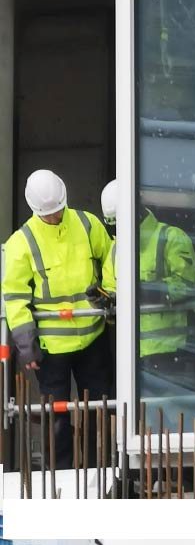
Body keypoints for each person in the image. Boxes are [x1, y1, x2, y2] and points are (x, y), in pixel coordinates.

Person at [2, 169, 114, 468]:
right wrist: (26, 343)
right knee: (57, 417)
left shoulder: (87, 223)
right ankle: (62, 474)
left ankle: (98, 468)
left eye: (57, 210)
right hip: (51, 349)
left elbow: (113, 256)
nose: (54, 217)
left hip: (93, 336)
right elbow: (14, 296)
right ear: (34, 209)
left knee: (99, 411)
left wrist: (111, 293)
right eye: (48, 213)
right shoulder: (20, 243)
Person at [100, 180, 195, 366]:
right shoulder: (115, 249)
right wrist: (105, 300)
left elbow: (188, 286)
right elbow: (111, 290)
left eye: (119, 225)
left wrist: (147, 291)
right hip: (132, 355)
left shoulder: (171, 237)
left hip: (175, 351)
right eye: (112, 227)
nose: (116, 232)